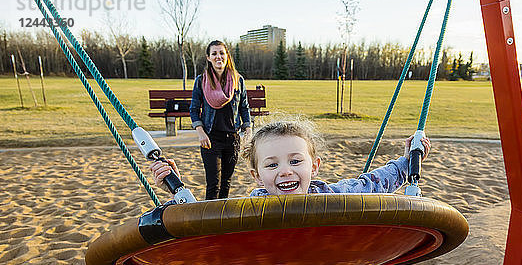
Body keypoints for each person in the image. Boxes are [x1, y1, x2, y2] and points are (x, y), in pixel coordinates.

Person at [151, 119, 431, 198]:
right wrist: (176, 189)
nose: (285, 171)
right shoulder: (250, 210)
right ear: (257, 176)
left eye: (295, 161)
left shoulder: (332, 196)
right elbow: (205, 224)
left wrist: (408, 163)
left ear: (315, 166)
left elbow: (372, 184)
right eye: (272, 165)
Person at [188, 40, 251, 200]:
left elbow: (244, 107)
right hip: (210, 139)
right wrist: (201, 133)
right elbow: (194, 109)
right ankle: (210, 221)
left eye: (221, 53)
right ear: (208, 57)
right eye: (214, 53)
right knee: (213, 184)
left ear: (227, 56)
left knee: (226, 182)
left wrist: (247, 128)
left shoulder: (238, 80)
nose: (218, 57)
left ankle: (221, 220)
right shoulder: (201, 81)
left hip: (232, 139)